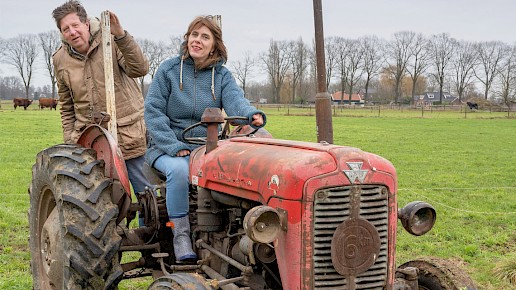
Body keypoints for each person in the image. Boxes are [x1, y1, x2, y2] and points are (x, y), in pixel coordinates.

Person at [144, 16, 266, 262]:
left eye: (204, 37)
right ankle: (181, 235)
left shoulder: (221, 76)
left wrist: (250, 115)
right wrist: (173, 145)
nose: (197, 41)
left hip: (208, 147)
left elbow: (235, 101)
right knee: (179, 170)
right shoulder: (168, 70)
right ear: (187, 38)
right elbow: (153, 112)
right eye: (194, 35)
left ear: (214, 45)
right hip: (167, 147)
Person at [51, 1, 152, 198]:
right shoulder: (60, 59)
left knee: (147, 198)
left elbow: (140, 69)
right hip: (89, 142)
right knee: (97, 202)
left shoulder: (112, 41)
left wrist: (121, 35)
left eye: (75, 25)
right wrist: (70, 138)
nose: (72, 32)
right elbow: (66, 105)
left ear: (86, 23)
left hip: (128, 135)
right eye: (66, 29)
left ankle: (151, 230)